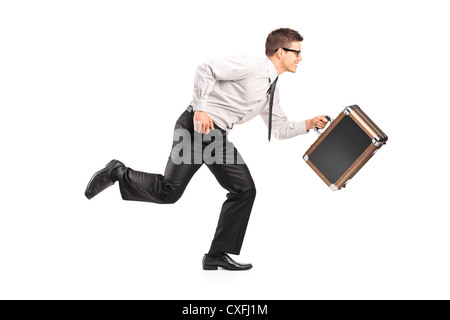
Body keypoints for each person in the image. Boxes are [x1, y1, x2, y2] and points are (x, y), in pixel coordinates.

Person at [85, 28, 328, 271]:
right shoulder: (252, 67)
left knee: (244, 190)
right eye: (297, 52)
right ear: (280, 52)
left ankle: (216, 255)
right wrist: (200, 108)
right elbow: (206, 69)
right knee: (167, 192)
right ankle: (117, 172)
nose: (300, 58)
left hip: (215, 137)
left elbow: (279, 128)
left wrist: (309, 124)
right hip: (195, 126)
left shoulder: (270, 89)